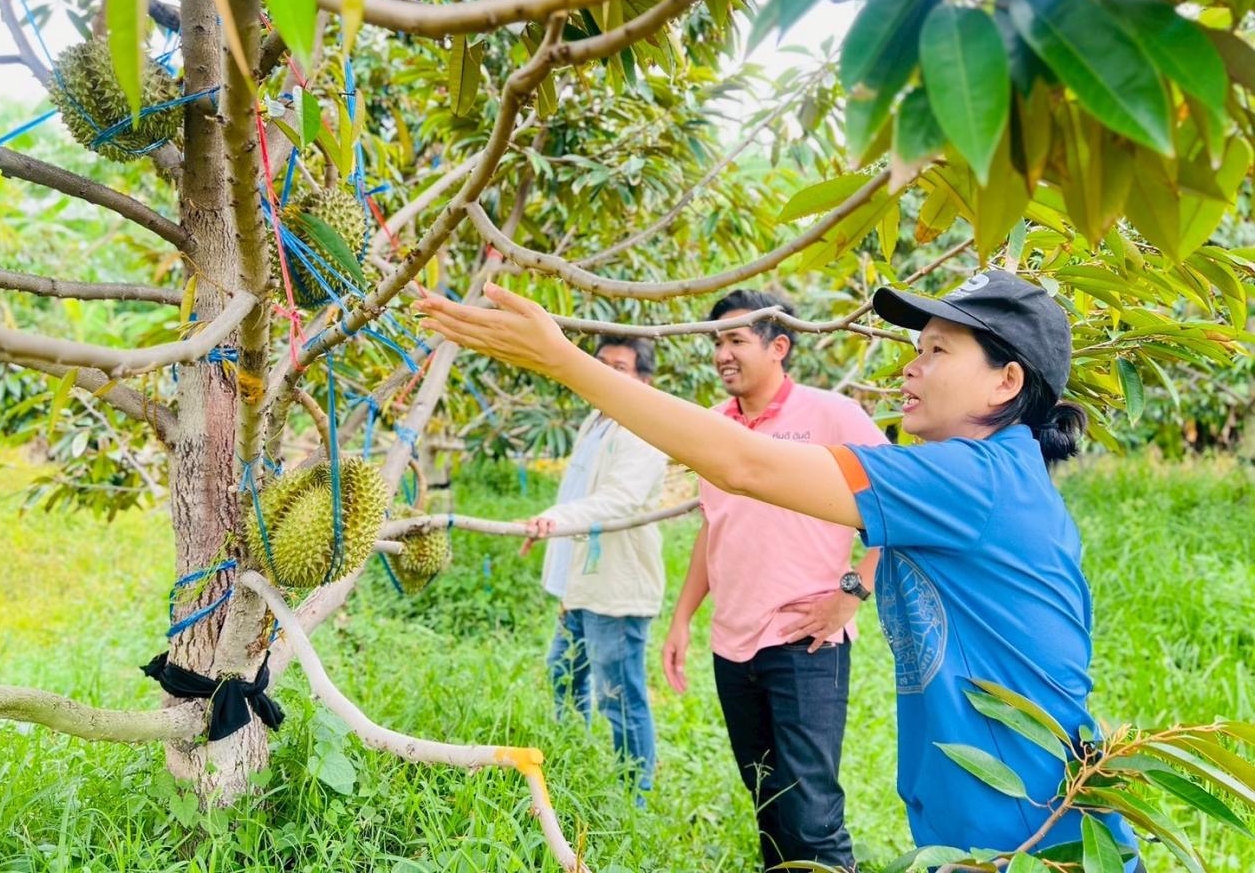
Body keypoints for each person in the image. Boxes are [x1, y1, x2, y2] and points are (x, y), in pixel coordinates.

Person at [415, 270, 1141, 869]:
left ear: (1004, 382)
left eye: (938, 351)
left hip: (1030, 827)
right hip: (996, 816)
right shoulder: (982, 477)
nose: (910, 367)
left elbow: (743, 467)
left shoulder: (976, 479)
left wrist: (561, 359)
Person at [661, 289, 885, 870]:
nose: (721, 354)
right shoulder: (713, 427)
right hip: (732, 644)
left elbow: (901, 507)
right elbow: (716, 527)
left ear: (778, 346)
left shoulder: (831, 415)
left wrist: (852, 595)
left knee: (811, 814)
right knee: (767, 801)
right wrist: (683, 619)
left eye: (735, 340)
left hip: (805, 643)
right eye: (717, 342)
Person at [520, 335, 667, 804]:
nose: (603, 373)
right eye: (599, 364)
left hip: (616, 589)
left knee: (619, 695)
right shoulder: (598, 419)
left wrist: (556, 520)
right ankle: (573, 761)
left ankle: (633, 798)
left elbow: (620, 499)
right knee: (564, 675)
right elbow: (578, 492)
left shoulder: (644, 426)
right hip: (581, 584)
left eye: (618, 368)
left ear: (644, 379)